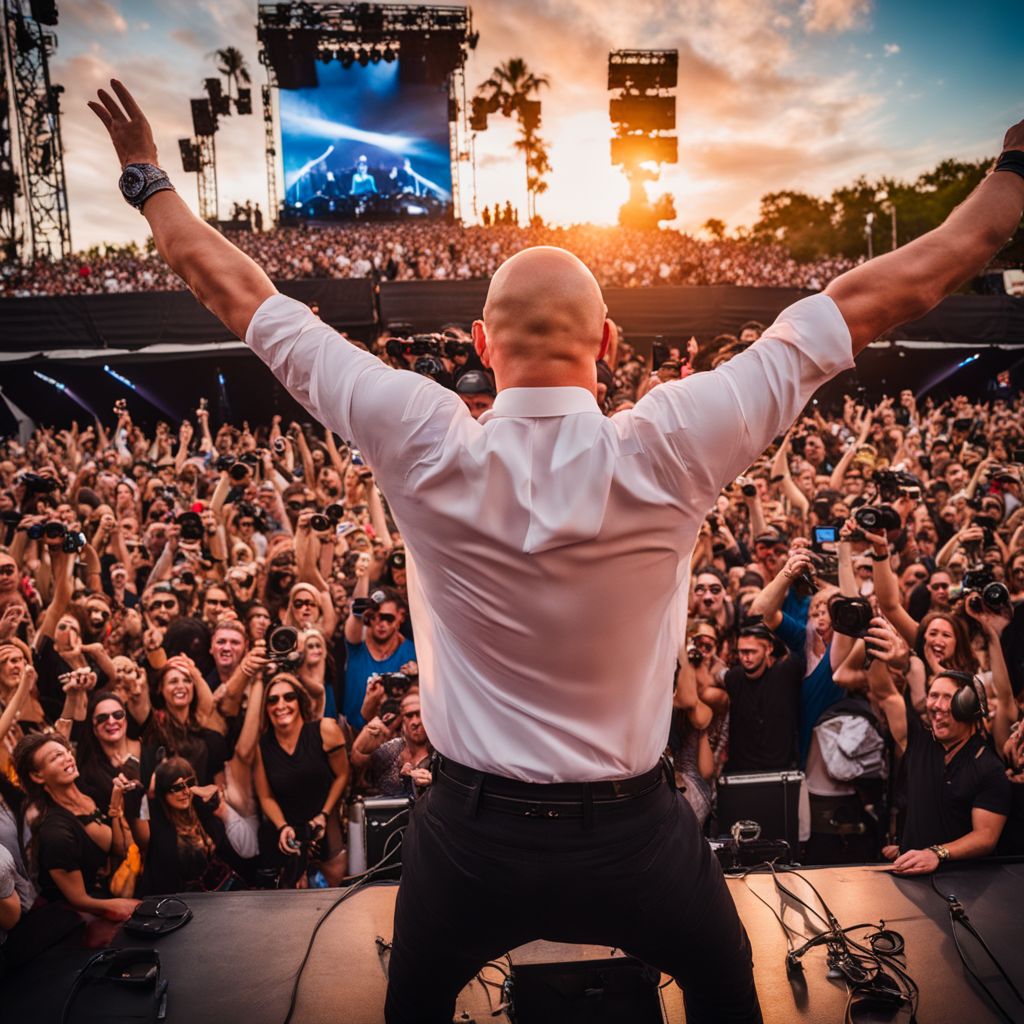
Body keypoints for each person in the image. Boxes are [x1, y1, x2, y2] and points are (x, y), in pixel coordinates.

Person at [87, 82, 1024, 1023]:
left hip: (464, 839)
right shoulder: (669, 441)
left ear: (480, 345)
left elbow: (239, 292)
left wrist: (146, 176)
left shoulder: (420, 433)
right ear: (610, 344)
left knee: (411, 1006)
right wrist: (1013, 176)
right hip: (635, 834)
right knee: (724, 986)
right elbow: (876, 296)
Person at [865, 617, 1011, 872]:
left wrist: (937, 853)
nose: (936, 706)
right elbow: (885, 694)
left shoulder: (988, 767)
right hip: (913, 876)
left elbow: (986, 837)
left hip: (965, 884)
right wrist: (876, 652)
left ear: (967, 707)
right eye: (933, 696)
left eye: (947, 698)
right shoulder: (919, 741)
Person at [253, 674, 350, 886]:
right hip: (287, 836)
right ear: (266, 708)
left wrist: (323, 814)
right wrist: (282, 827)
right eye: (273, 700)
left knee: (334, 898)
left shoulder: (326, 729)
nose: (281, 705)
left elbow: (342, 775)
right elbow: (265, 796)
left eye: (289, 697)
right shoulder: (262, 746)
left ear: (300, 701)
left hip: (325, 826)